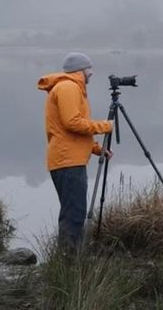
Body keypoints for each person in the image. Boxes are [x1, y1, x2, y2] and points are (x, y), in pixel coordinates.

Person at [37, 52, 114, 252]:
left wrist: (98, 149)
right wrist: (105, 126)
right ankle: (69, 260)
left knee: (73, 211)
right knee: (74, 213)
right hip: (67, 161)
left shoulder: (70, 87)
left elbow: (73, 131)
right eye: (89, 69)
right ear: (80, 70)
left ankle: (70, 256)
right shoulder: (68, 87)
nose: (92, 74)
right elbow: (72, 123)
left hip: (70, 158)